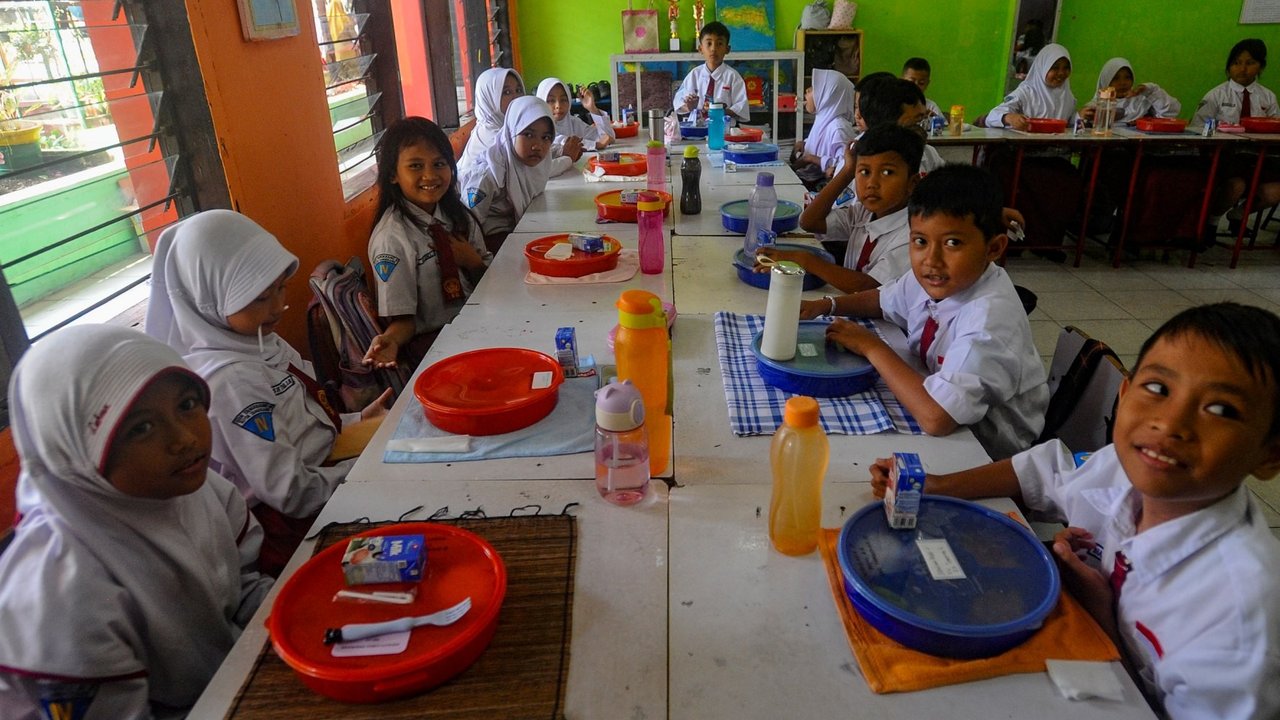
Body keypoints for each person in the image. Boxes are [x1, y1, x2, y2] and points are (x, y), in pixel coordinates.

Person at [870, 303, 1280, 720]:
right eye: (1158, 388)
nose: (1171, 423)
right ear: (1124, 394)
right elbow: (1049, 471)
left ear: (1270, 454)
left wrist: (1104, 620)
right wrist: (939, 485)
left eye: (1222, 410)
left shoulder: (1241, 616)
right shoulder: (1125, 468)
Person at [0, 325, 273, 719]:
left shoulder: (200, 490)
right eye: (141, 428)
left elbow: (243, 591)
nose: (183, 439)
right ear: (76, 453)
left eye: (187, 405)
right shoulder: (65, 590)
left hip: (228, 684)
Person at [146, 209, 391, 576]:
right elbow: (289, 490)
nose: (277, 307)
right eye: (260, 298)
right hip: (295, 528)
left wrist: (354, 420)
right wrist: (363, 471)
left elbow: (296, 420)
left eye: (280, 289)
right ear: (210, 297)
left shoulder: (259, 343)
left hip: (324, 481)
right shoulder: (228, 382)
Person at [808, 164, 1048, 460]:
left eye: (953, 243)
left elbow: (937, 417)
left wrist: (871, 346)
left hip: (984, 453)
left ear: (994, 248)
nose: (931, 260)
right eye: (920, 241)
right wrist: (828, 305)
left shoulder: (989, 321)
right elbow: (883, 300)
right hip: (937, 408)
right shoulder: (939, 278)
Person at [363, 117, 492, 371]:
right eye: (415, 166)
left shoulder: (457, 216)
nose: (430, 175)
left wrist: (473, 263)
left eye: (439, 164)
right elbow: (404, 320)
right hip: (433, 346)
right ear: (392, 175)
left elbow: (490, 282)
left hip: (479, 322)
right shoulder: (392, 239)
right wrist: (389, 341)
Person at [763, 123, 922, 293]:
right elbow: (809, 221)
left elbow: (869, 287)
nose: (872, 184)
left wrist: (807, 260)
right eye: (864, 172)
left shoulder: (913, 235)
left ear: (912, 183)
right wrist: (847, 170)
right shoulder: (863, 213)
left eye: (887, 173)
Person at [984, 43, 1080, 255]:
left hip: (1054, 159)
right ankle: (1017, 241)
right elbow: (993, 115)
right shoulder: (1026, 91)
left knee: (1070, 181)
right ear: (1043, 67)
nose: (1061, 73)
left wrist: (1083, 122)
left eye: (1066, 68)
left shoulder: (1068, 97)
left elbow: (1075, 124)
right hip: (1024, 158)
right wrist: (1009, 117)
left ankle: (1047, 243)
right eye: (1055, 67)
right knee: (1022, 182)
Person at [1194, 39, 1280, 238]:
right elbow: (1198, 128)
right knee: (1236, 186)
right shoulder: (1216, 95)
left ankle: (1239, 215)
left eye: (1250, 63)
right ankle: (1212, 222)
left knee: (1273, 191)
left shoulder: (1268, 97)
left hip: (1260, 158)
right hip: (1227, 159)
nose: (1242, 68)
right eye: (1237, 63)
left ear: (1260, 66)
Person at [459, 96, 555, 251]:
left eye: (546, 137)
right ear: (511, 131)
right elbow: (469, 222)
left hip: (517, 230)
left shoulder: (532, 165)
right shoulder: (488, 174)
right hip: (489, 242)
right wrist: (481, 263)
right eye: (528, 135)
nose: (538, 146)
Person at [857, 77, 943, 174]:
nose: (921, 128)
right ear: (888, 121)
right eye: (916, 121)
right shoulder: (860, 160)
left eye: (924, 119)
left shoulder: (928, 153)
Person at [789, 68, 857, 188]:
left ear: (828, 96)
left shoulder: (839, 127)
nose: (807, 90)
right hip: (805, 179)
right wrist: (804, 144)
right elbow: (823, 144)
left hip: (818, 185)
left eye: (814, 88)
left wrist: (812, 159)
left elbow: (844, 166)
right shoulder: (823, 119)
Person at [673, 21, 749, 123]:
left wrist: (720, 111)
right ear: (700, 49)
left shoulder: (733, 77)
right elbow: (678, 104)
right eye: (709, 43)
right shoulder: (694, 75)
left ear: (727, 49)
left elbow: (741, 107)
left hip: (724, 129)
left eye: (719, 44)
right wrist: (689, 106)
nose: (713, 49)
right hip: (697, 129)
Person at [536, 77, 614, 176]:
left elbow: (608, 137)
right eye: (551, 100)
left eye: (563, 100)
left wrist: (592, 108)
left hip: (572, 175)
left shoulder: (572, 121)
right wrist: (596, 144)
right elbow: (560, 141)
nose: (558, 105)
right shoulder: (537, 126)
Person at [456, 67, 525, 177]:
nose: (516, 98)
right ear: (489, 99)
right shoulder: (492, 137)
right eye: (506, 92)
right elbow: (525, 168)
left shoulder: (509, 128)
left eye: (518, 90)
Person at [1082, 58, 1181, 125]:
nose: (1123, 83)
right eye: (1116, 78)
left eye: (1128, 77)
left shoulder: (1141, 103)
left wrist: (1149, 90)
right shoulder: (1095, 106)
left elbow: (1170, 113)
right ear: (1105, 81)